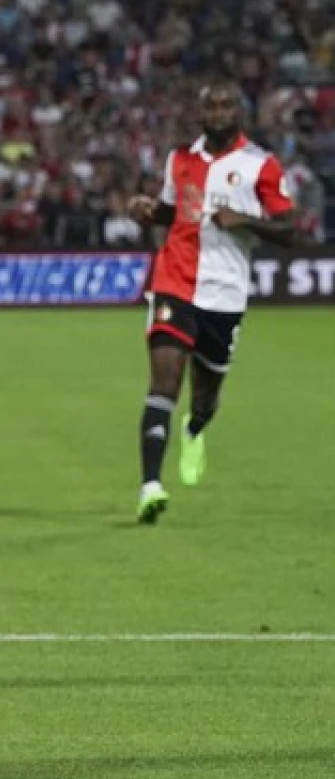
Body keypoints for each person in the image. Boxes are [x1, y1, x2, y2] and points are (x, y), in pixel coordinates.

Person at [127, 78, 295, 523]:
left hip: (225, 293)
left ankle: (195, 428)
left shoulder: (261, 165)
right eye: (210, 106)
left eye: (226, 106)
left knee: (205, 397)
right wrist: (149, 210)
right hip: (174, 282)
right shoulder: (179, 159)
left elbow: (290, 230)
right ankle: (150, 486)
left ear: (239, 112)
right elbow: (171, 211)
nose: (218, 113)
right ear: (200, 114)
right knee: (163, 382)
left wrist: (246, 219)